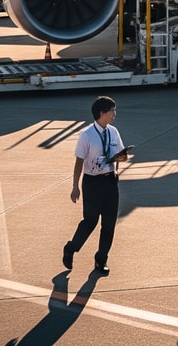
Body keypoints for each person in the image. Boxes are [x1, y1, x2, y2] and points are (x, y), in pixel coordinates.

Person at [63, 95, 129, 275]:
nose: (114, 114)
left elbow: (120, 154)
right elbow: (79, 162)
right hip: (92, 182)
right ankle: (71, 248)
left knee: (109, 224)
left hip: (110, 181)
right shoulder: (87, 135)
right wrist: (75, 186)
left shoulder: (113, 132)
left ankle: (101, 260)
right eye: (112, 111)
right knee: (90, 221)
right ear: (102, 113)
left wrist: (121, 158)